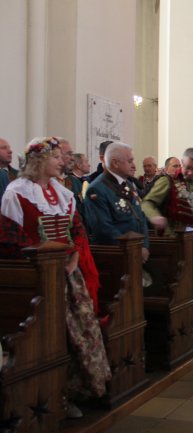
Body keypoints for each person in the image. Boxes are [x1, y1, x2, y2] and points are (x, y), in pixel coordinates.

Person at [0, 137, 110, 418]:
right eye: (56, 157)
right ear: (39, 160)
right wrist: (45, 260)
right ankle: (52, 399)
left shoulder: (62, 192)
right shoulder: (17, 192)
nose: (63, 161)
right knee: (52, 338)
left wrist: (73, 257)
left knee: (83, 331)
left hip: (68, 275)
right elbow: (10, 238)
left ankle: (79, 391)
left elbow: (77, 229)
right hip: (38, 277)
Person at [142, 147, 193, 346]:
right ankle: (185, 332)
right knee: (186, 287)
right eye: (186, 168)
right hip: (176, 244)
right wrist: (156, 217)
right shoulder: (167, 181)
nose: (189, 173)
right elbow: (147, 203)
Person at [84, 142, 150, 262]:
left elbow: (140, 216)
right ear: (115, 163)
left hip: (135, 250)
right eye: (130, 161)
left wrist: (144, 245)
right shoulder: (97, 189)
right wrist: (132, 249)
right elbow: (103, 229)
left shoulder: (128, 184)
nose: (134, 165)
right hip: (117, 255)